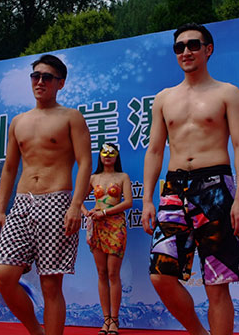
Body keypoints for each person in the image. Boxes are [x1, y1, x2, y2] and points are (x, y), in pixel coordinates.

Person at [141, 23, 239, 335]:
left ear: (208, 49)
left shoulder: (227, 93)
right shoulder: (164, 98)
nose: (186, 52)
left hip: (215, 186)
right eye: (180, 47)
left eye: (193, 45)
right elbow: (154, 150)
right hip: (174, 187)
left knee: (217, 281)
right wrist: (147, 199)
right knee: (160, 275)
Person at [0, 54, 92, 335]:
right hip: (22, 203)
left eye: (47, 77)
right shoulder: (18, 122)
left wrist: (75, 205)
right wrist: (1, 211)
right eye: (35, 76)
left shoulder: (71, 117)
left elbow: (85, 162)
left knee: (51, 284)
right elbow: (9, 168)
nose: (39, 82)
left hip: (57, 201)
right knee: (3, 276)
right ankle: (37, 331)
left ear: (60, 83)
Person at [82, 143, 132, 335]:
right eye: (104, 152)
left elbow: (128, 202)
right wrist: (86, 213)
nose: (108, 156)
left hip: (115, 225)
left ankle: (115, 320)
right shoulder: (93, 178)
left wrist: (105, 212)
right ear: (100, 156)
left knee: (113, 273)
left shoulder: (122, 177)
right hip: (97, 226)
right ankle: (106, 319)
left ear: (117, 156)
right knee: (101, 273)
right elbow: (77, 200)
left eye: (112, 152)